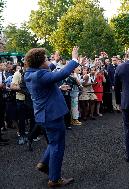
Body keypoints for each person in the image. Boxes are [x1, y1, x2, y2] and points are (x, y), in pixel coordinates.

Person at [24, 47, 84, 187]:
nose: (48, 61)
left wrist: (55, 62)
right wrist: (74, 58)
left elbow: (47, 75)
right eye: (46, 59)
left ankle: (44, 164)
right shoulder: (40, 75)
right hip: (52, 115)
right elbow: (62, 73)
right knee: (58, 145)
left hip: (43, 114)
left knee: (52, 142)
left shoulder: (30, 73)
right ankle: (55, 179)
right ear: (40, 63)